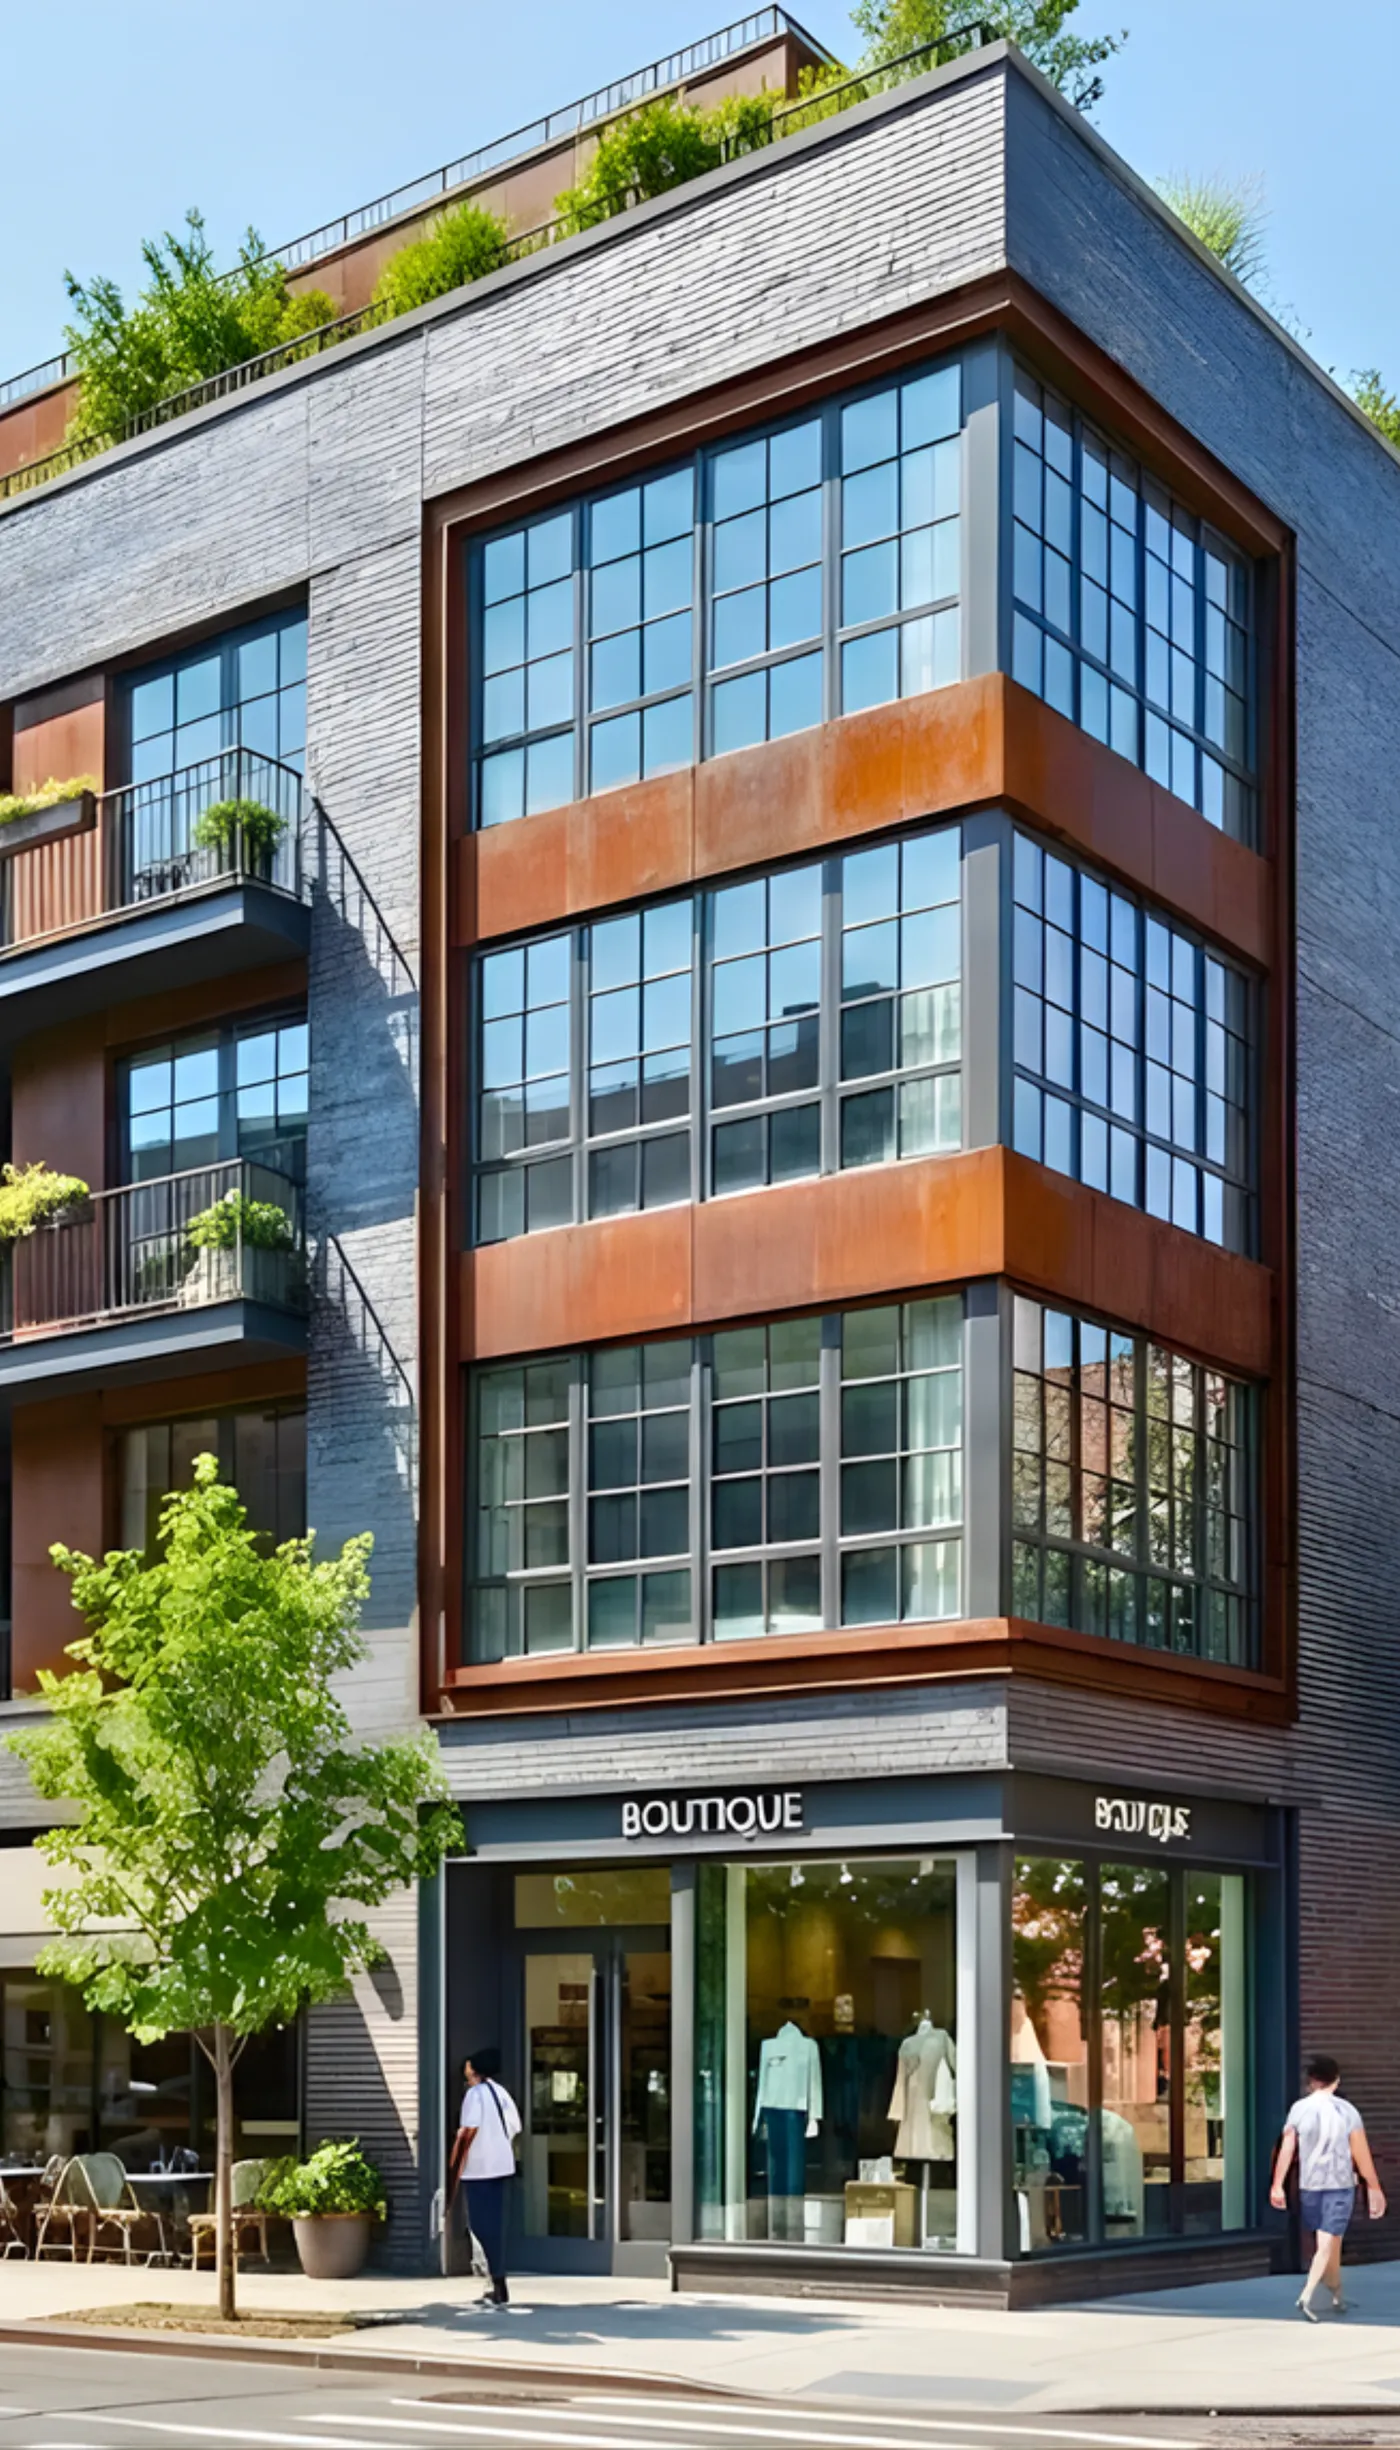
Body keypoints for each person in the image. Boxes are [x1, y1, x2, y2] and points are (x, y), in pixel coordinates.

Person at [1270, 2053, 1385, 2320]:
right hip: (1339, 2185)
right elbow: (1361, 2152)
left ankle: (1336, 2295)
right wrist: (1373, 2185)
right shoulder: (1347, 2111)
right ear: (1337, 2081)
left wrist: (1278, 2184)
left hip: (1309, 2186)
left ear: (1311, 2082)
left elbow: (1287, 2148)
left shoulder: (1299, 2109)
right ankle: (1307, 2295)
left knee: (1331, 2240)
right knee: (1327, 2242)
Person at [448, 2046, 521, 2307]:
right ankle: (498, 2281)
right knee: (497, 2225)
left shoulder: (475, 2095)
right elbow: (515, 2126)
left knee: (480, 2225)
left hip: (479, 2169)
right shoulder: (501, 2092)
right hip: (502, 2166)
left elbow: (468, 2131)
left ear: (475, 2069)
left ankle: (495, 2281)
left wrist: (456, 2163)